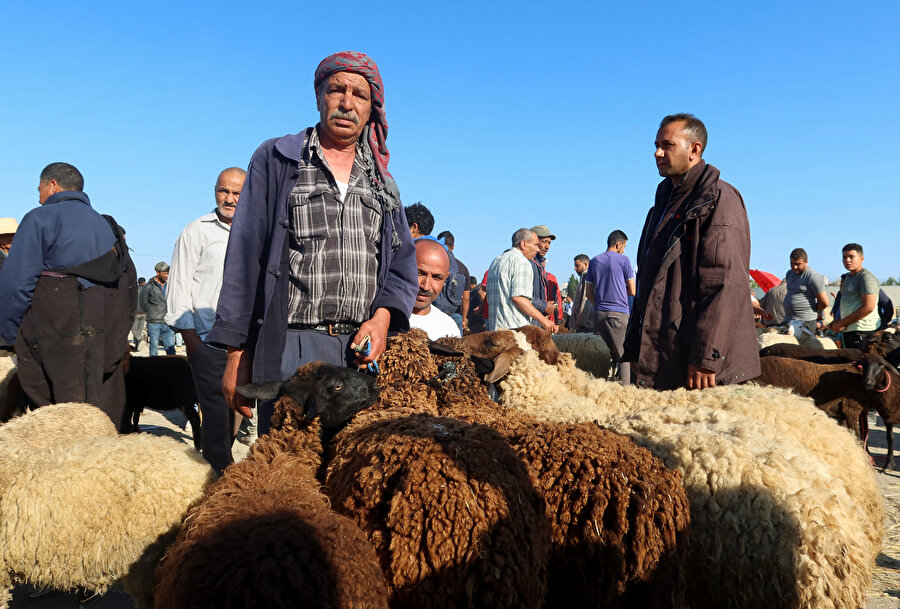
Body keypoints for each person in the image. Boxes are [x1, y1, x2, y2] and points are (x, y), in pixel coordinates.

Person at [206, 51, 417, 433]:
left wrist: (383, 319)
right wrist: (237, 353)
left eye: (359, 94)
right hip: (293, 347)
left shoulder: (381, 181)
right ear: (319, 96)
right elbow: (245, 257)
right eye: (336, 89)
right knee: (290, 464)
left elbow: (402, 266)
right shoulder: (279, 159)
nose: (347, 102)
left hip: (360, 351)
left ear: (372, 109)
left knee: (352, 472)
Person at [623, 114, 759, 390]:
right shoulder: (661, 206)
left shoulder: (718, 200)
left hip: (702, 367)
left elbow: (723, 282)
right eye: (656, 145)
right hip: (669, 354)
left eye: (667, 145)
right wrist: (636, 347)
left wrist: (707, 356)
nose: (657, 153)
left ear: (695, 149)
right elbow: (648, 279)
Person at [0, 162, 135, 428]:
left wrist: (8, 334)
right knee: (100, 421)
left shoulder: (39, 218)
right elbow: (129, 286)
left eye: (39, 188)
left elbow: (16, 284)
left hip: (55, 339)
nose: (38, 195)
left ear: (53, 185)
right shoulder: (109, 226)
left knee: (59, 425)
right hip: (105, 339)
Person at [165, 167, 247, 474]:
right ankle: (218, 477)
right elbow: (179, 284)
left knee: (240, 408)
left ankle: (225, 467)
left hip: (248, 339)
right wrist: (191, 339)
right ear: (215, 191)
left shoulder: (258, 230)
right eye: (223, 191)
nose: (229, 198)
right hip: (209, 339)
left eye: (237, 192)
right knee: (214, 412)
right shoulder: (196, 230)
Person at [585, 230, 636, 383]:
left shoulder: (594, 261)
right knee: (624, 355)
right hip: (618, 312)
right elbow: (632, 290)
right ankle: (626, 391)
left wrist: (600, 304)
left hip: (599, 313)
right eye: (624, 246)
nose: (624, 250)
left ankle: (597, 387)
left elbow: (589, 293)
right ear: (618, 244)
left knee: (600, 354)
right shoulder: (624, 260)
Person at [486, 229, 557, 332]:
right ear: (523, 244)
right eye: (536, 245)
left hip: (495, 330)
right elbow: (519, 298)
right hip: (513, 332)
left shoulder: (497, 260)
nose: (538, 249)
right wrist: (543, 320)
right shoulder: (522, 262)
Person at [827, 243, 880, 349]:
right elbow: (852, 308)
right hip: (849, 331)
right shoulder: (848, 278)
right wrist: (837, 322)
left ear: (862, 258)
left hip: (863, 333)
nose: (847, 260)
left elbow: (868, 307)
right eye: (844, 257)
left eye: (851, 257)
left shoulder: (866, 278)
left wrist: (842, 323)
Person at [408, 238, 461, 340]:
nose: (426, 286)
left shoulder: (449, 330)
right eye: (419, 273)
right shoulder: (381, 319)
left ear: (445, 278)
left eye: (436, 277)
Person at [782, 248, 828, 340]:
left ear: (806, 262)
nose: (794, 267)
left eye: (798, 264)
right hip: (788, 319)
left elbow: (824, 302)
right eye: (792, 263)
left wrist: (815, 311)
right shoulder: (789, 274)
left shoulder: (813, 276)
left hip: (805, 321)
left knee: (804, 349)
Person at [436, 230, 471, 334]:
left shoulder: (436, 261)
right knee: (456, 347)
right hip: (455, 314)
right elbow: (466, 298)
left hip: (435, 312)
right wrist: (464, 319)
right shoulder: (462, 268)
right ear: (453, 246)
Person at [529, 225, 558, 326]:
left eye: (549, 243)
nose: (547, 246)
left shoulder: (539, 265)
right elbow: (521, 296)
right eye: (544, 242)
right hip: (528, 322)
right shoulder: (527, 263)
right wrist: (543, 306)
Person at [146, 262, 176, 356]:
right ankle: (153, 369)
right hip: (154, 322)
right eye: (165, 273)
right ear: (158, 273)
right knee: (154, 350)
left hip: (168, 322)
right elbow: (143, 303)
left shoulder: (171, 286)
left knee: (171, 350)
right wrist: (152, 313)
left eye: (168, 273)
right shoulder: (149, 287)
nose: (167, 276)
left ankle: (172, 370)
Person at [567, 254, 594, 332]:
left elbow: (586, 300)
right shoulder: (586, 275)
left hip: (585, 325)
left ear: (586, 264)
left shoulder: (586, 275)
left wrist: (580, 321)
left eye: (577, 265)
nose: (575, 268)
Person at [131, 277, 147, 351]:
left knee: (134, 330)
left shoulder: (134, 290)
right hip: (144, 313)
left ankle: (140, 340)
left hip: (136, 312)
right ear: (144, 282)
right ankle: (138, 347)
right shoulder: (147, 290)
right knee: (139, 331)